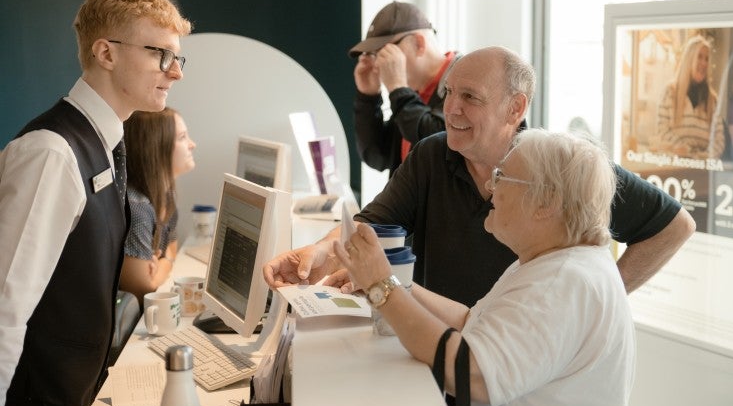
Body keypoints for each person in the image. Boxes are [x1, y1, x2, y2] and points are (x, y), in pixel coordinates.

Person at [263, 46, 696, 307]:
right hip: (442, 352)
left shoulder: (560, 170)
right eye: (450, 93)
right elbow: (372, 226)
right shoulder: (433, 154)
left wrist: (605, 301)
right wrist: (320, 254)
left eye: (470, 97)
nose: (451, 109)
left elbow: (674, 226)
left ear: (515, 108)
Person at [337, 128, 635, 406]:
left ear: (546, 203)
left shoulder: (560, 283)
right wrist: (397, 285)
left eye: (502, 177)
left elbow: (472, 374)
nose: (491, 187)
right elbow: (470, 322)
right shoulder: (551, 263)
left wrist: (382, 286)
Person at [0, 0, 191, 406]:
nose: (175, 71)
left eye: (177, 57)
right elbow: (4, 309)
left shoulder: (107, 143)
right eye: (160, 54)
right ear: (106, 53)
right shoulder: (52, 153)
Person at [349, 1, 460, 175]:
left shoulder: (464, 81)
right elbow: (378, 156)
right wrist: (368, 98)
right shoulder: (413, 91)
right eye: (374, 54)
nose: (378, 63)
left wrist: (398, 88)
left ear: (419, 43)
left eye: (385, 52)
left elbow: (441, 144)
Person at [119, 107, 196, 307]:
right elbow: (143, 288)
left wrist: (162, 263)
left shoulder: (165, 197)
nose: (192, 145)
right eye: (182, 137)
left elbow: (172, 247)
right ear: (155, 147)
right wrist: (167, 263)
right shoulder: (137, 210)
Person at [656, 34, 724, 159]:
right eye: (699, 57)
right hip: (674, 168)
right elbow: (663, 131)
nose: (704, 63)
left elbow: (719, 141)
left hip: (703, 170)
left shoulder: (712, 100)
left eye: (707, 59)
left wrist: (702, 157)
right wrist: (686, 152)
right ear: (689, 59)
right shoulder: (669, 92)